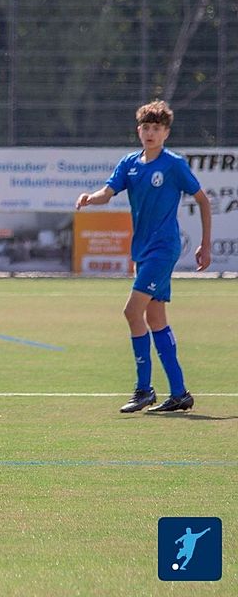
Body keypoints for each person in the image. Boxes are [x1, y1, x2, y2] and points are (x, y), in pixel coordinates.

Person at [75, 100, 212, 413]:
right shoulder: (129, 164)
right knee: (154, 318)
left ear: (166, 132)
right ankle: (179, 393)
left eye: (157, 128)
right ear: (139, 131)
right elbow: (108, 192)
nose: (151, 133)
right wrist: (89, 199)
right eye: (146, 127)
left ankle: (143, 389)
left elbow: (203, 201)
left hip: (163, 249)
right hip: (143, 250)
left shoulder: (173, 164)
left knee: (131, 312)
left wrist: (205, 244)